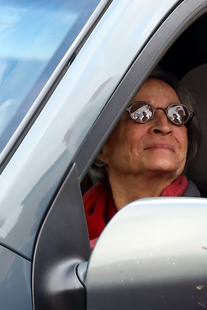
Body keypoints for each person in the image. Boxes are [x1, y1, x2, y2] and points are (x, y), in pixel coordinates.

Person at [86, 69, 200, 247]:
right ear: (102, 147)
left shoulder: (204, 234)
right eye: (141, 113)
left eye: (177, 115)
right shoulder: (60, 229)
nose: (164, 126)